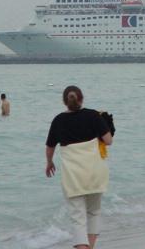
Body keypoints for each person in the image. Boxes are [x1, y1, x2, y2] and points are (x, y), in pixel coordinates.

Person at [45, 86, 113, 249]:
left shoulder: (58, 120)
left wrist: (49, 162)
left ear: (64, 102)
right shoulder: (93, 116)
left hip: (73, 176)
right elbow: (108, 140)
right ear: (81, 99)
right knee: (94, 212)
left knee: (78, 217)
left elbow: (50, 146)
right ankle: (90, 246)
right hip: (95, 173)